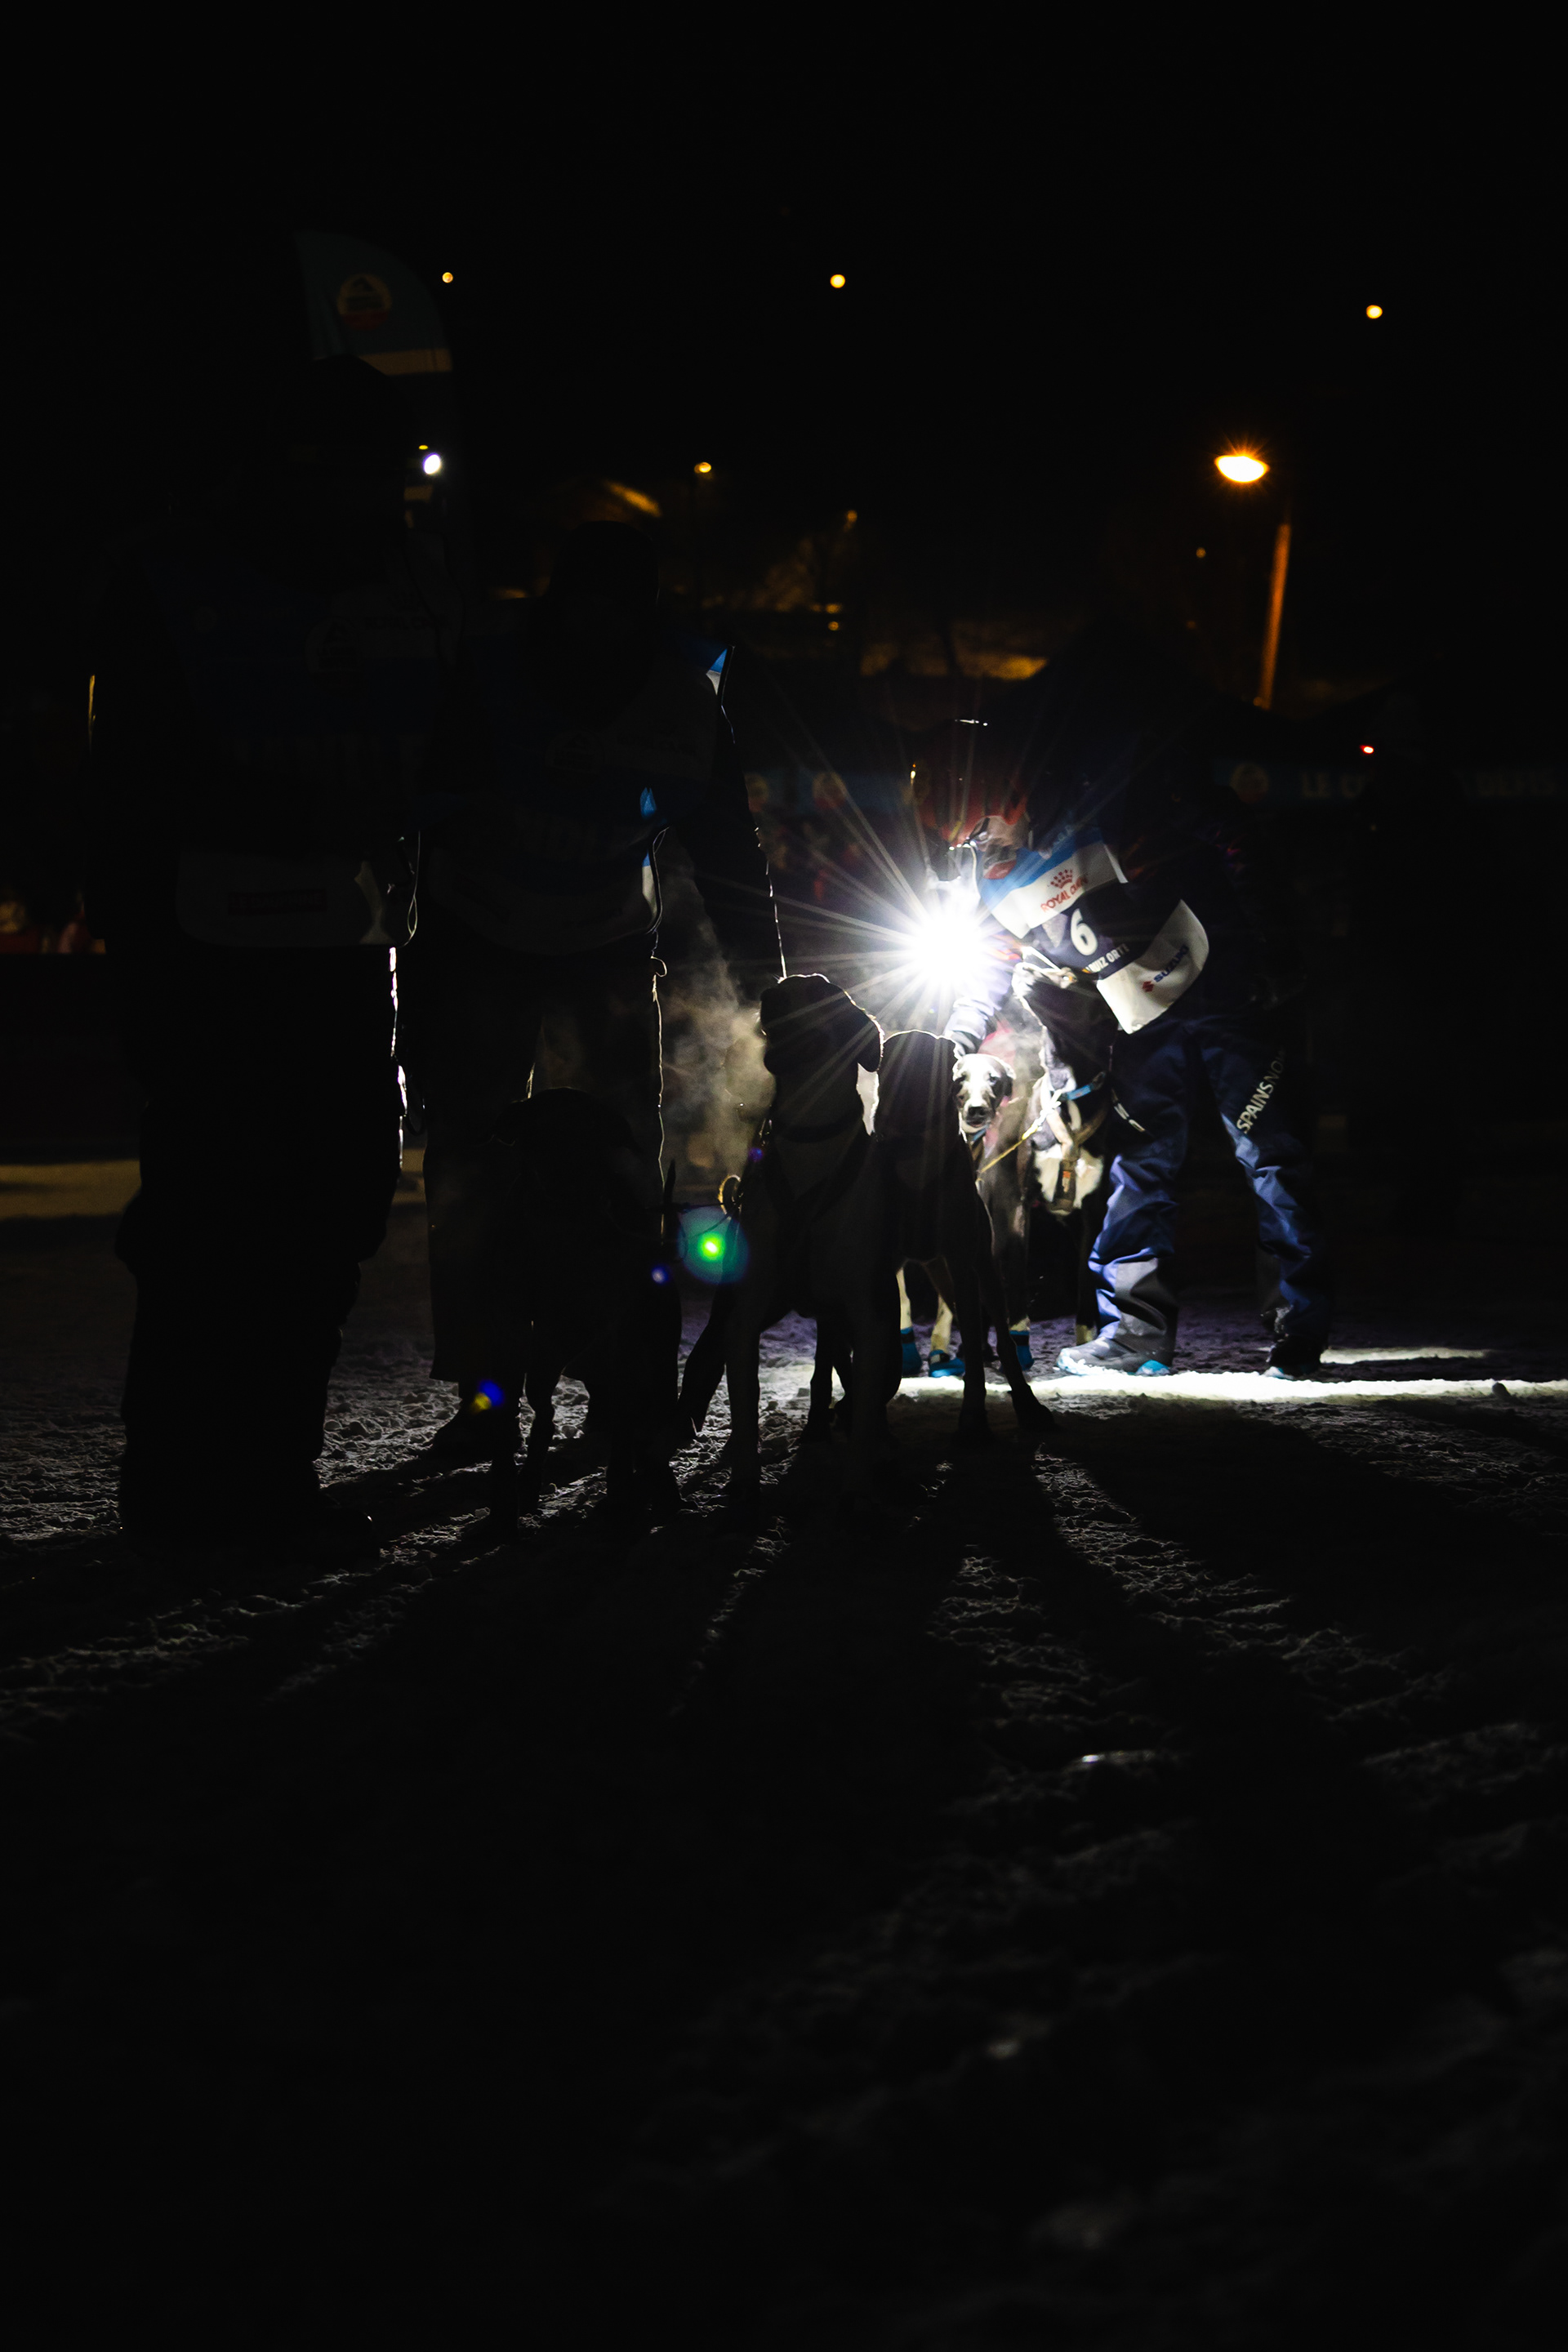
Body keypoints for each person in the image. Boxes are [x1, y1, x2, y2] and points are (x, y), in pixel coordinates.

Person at [86, 354, 460, 1548]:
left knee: (326, 1216)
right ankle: (179, 1491)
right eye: (373, 475)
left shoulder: (405, 581)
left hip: (348, 948)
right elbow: (134, 786)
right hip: (209, 953)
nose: (391, 500)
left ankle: (271, 1480)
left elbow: (443, 753)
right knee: (211, 1225)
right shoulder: (177, 577)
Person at [398, 521, 782, 1465]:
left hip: (606, 947)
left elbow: (728, 850)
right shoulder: (485, 680)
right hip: (478, 939)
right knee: (471, 1174)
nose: (600, 630)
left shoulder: (687, 702)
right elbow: (422, 816)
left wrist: (765, 977)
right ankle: (487, 1395)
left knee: (620, 1179)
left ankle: (623, 1386)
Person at [919, 624, 1330, 1378]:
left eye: (982, 831)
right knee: (1142, 1162)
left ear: (1006, 793)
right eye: (964, 846)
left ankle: (1299, 1327)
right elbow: (989, 960)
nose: (982, 851)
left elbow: (1229, 829)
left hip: (1229, 986)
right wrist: (958, 1033)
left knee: (1269, 1153)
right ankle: (1136, 1332)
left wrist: (1274, 944)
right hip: (1144, 1014)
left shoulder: (1105, 795)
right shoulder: (994, 881)